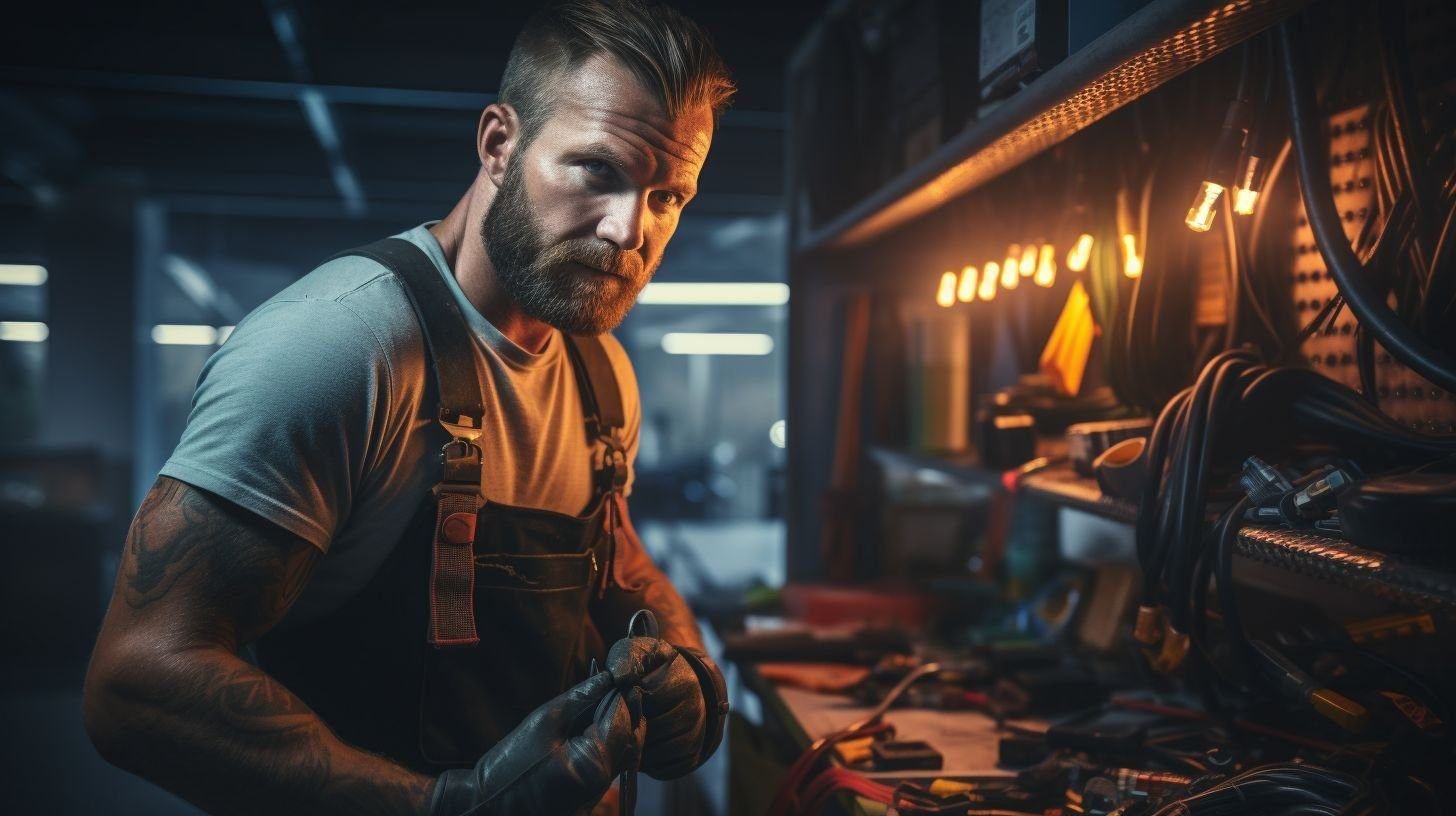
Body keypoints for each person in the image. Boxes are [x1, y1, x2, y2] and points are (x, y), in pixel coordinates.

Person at [82, 2, 734, 813]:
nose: (628, 229)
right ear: (500, 143)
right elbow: (135, 683)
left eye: (668, 195)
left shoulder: (600, 370)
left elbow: (618, 563)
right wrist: (443, 807)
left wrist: (685, 669)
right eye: (598, 171)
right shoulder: (338, 347)